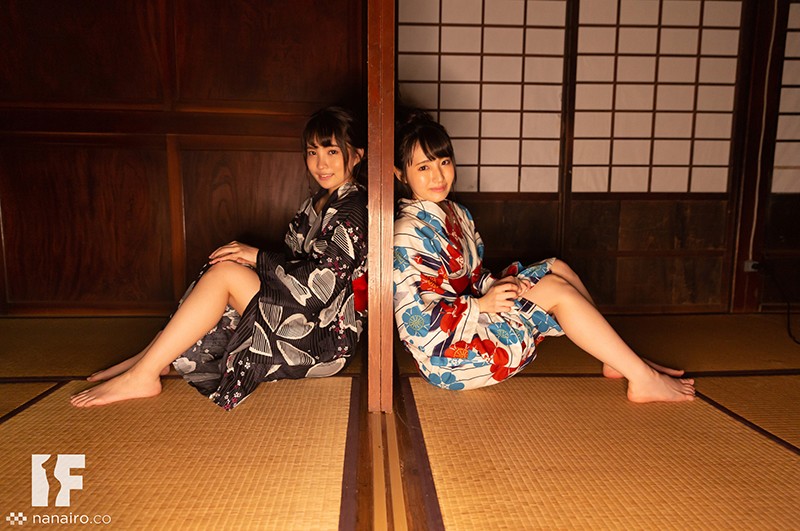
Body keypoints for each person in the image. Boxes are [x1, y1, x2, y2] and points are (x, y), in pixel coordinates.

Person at [71, 107, 369, 410]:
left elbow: (322, 287)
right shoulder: (318, 201)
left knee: (227, 273)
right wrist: (250, 259)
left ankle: (144, 373)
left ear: (357, 155)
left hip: (324, 336)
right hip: (304, 312)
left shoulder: (353, 206)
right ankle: (153, 356)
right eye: (312, 152)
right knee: (229, 263)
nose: (321, 163)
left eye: (332, 151)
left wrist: (257, 256)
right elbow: (293, 262)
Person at [392, 110, 695, 402]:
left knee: (557, 268)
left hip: (473, 316)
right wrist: (482, 304)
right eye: (424, 168)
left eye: (444, 162)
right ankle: (642, 378)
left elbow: (472, 277)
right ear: (401, 174)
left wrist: (501, 286)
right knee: (556, 291)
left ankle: (616, 358)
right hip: (450, 354)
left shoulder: (455, 213)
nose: (439, 176)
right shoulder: (407, 233)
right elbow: (417, 327)